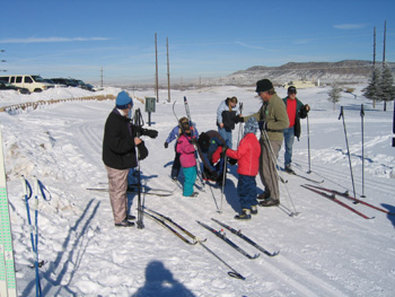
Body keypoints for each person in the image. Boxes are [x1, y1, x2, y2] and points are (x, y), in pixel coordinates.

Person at [102, 91, 148, 227]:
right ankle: (120, 219)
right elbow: (117, 145)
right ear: (127, 106)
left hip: (120, 161)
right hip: (116, 162)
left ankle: (123, 213)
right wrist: (133, 142)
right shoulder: (114, 121)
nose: (131, 109)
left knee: (122, 188)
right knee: (118, 191)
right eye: (130, 106)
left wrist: (144, 131)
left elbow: (128, 128)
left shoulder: (121, 117)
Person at [243, 79, 289, 207]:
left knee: (269, 167)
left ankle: (274, 196)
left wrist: (267, 124)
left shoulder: (277, 103)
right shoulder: (266, 103)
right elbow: (258, 115)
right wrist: (242, 119)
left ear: (266, 91)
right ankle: (268, 190)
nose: (259, 95)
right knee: (262, 167)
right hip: (264, 138)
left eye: (260, 92)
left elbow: (284, 123)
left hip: (273, 139)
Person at [225, 117, 261, 220]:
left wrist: (227, 151)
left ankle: (246, 210)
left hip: (245, 170)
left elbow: (238, 154)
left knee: (243, 189)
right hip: (253, 170)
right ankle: (253, 205)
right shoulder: (256, 141)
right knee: (252, 187)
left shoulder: (245, 140)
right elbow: (257, 154)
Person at [282, 86, 310, 173]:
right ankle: (271, 164)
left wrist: (306, 109)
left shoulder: (298, 103)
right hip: (281, 127)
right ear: (288, 93)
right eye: (291, 93)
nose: (293, 94)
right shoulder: (283, 102)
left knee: (289, 148)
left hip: (291, 128)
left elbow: (302, 115)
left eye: (294, 93)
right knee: (277, 147)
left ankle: (287, 165)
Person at [176, 120, 199, 197]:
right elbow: (186, 149)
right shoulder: (183, 139)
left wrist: (194, 140)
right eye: (189, 130)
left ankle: (190, 190)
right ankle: (187, 192)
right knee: (189, 178)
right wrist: (193, 147)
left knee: (193, 176)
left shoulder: (189, 137)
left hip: (191, 161)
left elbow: (193, 137)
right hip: (186, 161)